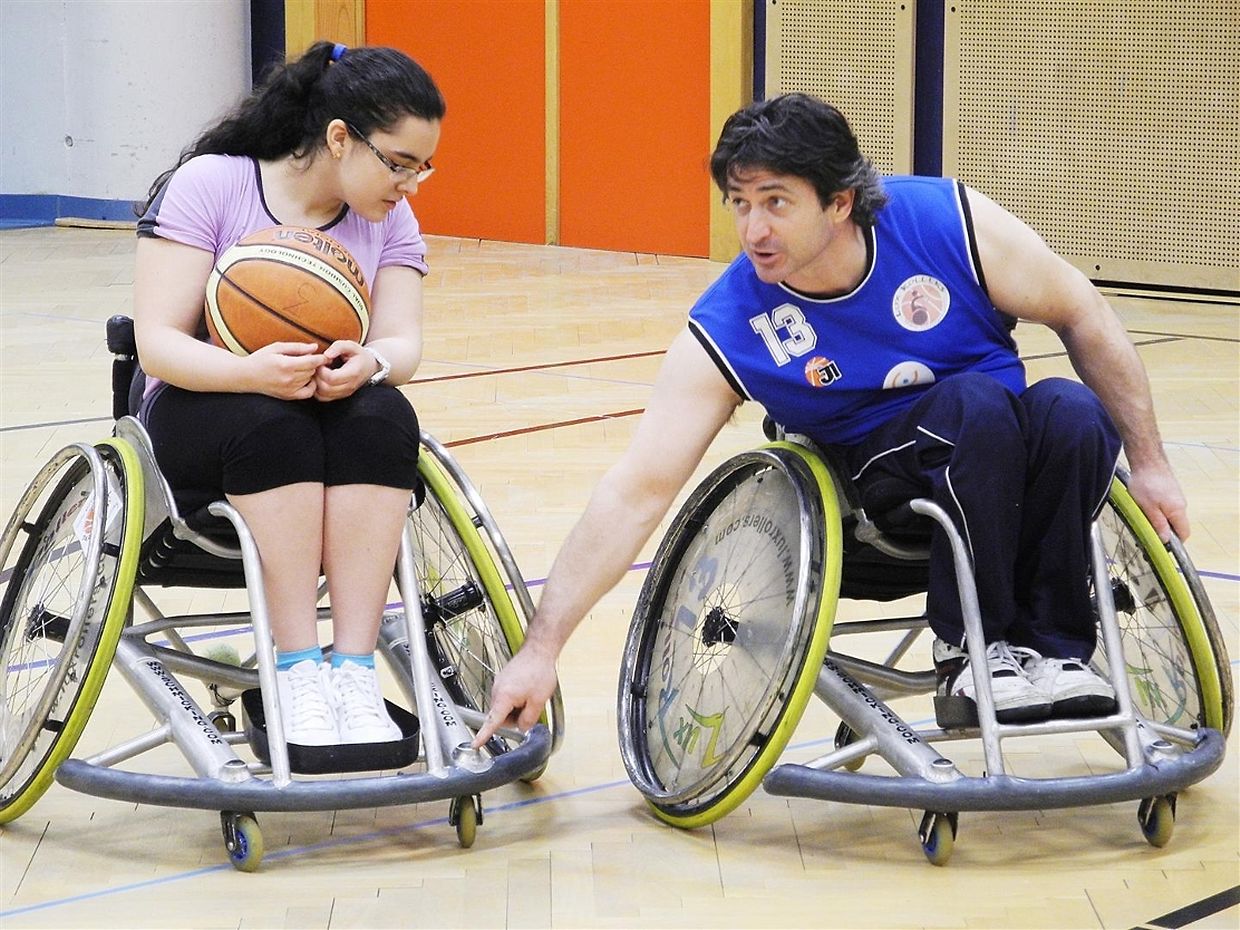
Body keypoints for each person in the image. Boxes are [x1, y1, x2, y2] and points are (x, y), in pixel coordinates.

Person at [475, 92, 1189, 742]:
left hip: (1004, 470)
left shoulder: (946, 223)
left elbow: (1085, 313)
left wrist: (1152, 466)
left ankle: (1057, 651)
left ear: (840, 202)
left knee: (1071, 409)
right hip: (876, 498)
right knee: (974, 405)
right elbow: (637, 488)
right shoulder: (731, 323)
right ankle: (970, 651)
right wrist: (541, 650)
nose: (753, 229)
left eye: (776, 202)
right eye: (739, 203)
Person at [133, 42, 444, 747]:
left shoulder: (390, 219)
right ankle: (298, 667)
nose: (411, 184)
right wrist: (251, 372)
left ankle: (353, 670)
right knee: (272, 426)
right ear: (339, 138)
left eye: (423, 167)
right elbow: (158, 344)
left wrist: (369, 363)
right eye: (399, 163)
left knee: (385, 416)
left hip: (322, 412)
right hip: (201, 403)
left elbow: (403, 343)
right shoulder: (213, 183)